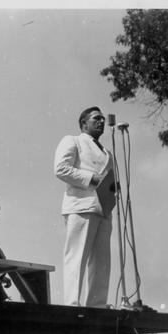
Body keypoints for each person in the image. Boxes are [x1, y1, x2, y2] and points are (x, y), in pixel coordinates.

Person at [53, 106, 115, 308]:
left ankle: (97, 304)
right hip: (81, 205)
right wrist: (92, 179)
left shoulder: (108, 153)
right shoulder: (73, 141)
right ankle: (72, 303)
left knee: (102, 261)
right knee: (77, 255)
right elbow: (61, 168)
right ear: (83, 123)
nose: (101, 122)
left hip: (104, 208)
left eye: (103, 119)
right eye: (96, 118)